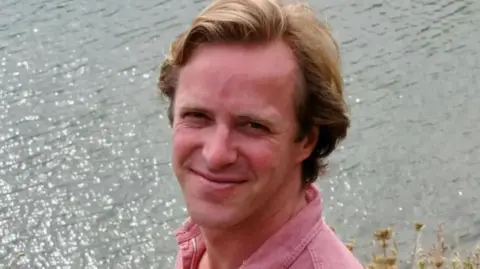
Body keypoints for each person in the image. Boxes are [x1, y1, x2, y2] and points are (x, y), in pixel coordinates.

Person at [158, 0, 363, 268]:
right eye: (197, 116)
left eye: (253, 126)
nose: (216, 154)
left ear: (307, 141)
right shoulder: (203, 252)